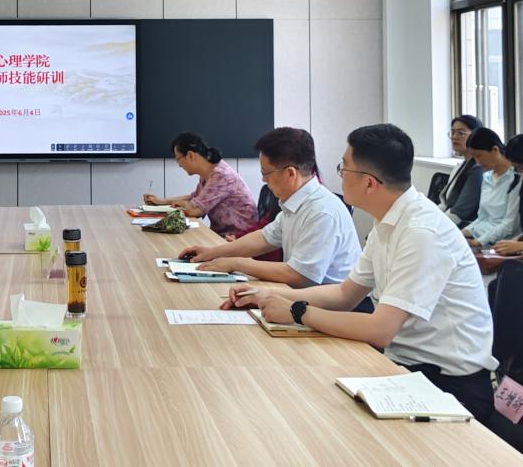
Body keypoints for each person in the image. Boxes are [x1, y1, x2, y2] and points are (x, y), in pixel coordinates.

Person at [226, 124, 497, 423]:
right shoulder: (387, 222)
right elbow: (345, 293)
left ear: (369, 183)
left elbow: (381, 330)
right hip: (405, 368)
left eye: (344, 168)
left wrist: (297, 311)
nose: (339, 175)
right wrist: (269, 295)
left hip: (449, 385)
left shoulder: (421, 233)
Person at [177, 128, 362, 291]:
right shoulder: (295, 203)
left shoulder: (321, 211)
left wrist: (237, 263)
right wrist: (212, 252)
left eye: (265, 172)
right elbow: (264, 238)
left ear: (290, 173)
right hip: (305, 297)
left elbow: (300, 276)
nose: (263, 180)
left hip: (338, 310)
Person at [142, 132, 257, 237]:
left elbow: (194, 210)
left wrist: (182, 204)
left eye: (178, 159)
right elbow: (194, 198)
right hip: (222, 236)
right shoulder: (208, 173)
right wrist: (162, 201)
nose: (179, 165)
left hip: (237, 239)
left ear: (190, 155)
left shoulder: (221, 175)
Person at [462, 127, 521, 248]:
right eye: (474, 157)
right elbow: (482, 217)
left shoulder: (516, 178)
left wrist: (478, 242)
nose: (477, 162)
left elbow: (509, 225)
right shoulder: (487, 177)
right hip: (480, 238)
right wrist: (463, 232)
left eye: (479, 155)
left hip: (502, 243)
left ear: (495, 150)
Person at [439, 115, 485, 226]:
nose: (454, 137)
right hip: (449, 221)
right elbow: (445, 203)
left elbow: (460, 212)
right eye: (452, 132)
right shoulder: (461, 165)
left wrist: (435, 226)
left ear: (475, 136)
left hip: (464, 226)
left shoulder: (478, 169)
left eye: (460, 133)